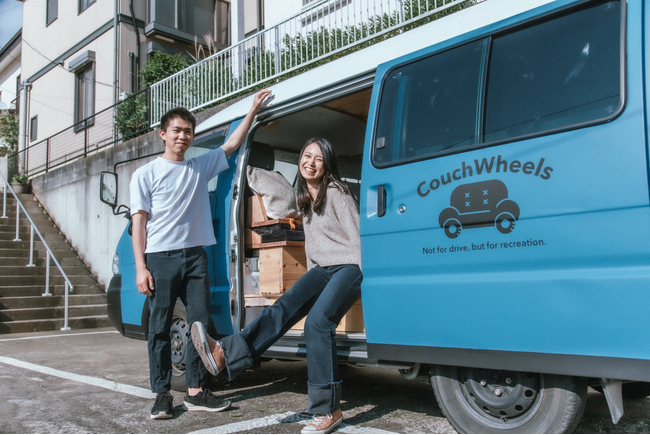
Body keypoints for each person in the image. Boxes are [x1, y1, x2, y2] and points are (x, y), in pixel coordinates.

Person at [191, 137, 363, 434]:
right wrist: (246, 170)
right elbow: (290, 213)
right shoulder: (304, 198)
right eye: (306, 156)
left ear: (327, 165)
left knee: (317, 323)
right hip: (322, 268)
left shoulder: (338, 193)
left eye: (318, 158)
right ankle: (224, 355)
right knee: (281, 308)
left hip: (349, 265)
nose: (310, 162)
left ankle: (329, 410)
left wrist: (365, 276)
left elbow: (358, 237)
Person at [129, 89, 272, 420]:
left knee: (200, 325)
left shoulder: (198, 167)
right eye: (176, 131)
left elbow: (231, 144)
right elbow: (139, 223)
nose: (182, 136)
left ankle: (195, 391)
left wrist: (252, 110)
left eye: (188, 132)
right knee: (160, 327)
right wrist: (140, 267)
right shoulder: (145, 174)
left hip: (195, 257)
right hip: (160, 258)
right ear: (163, 134)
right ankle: (162, 395)